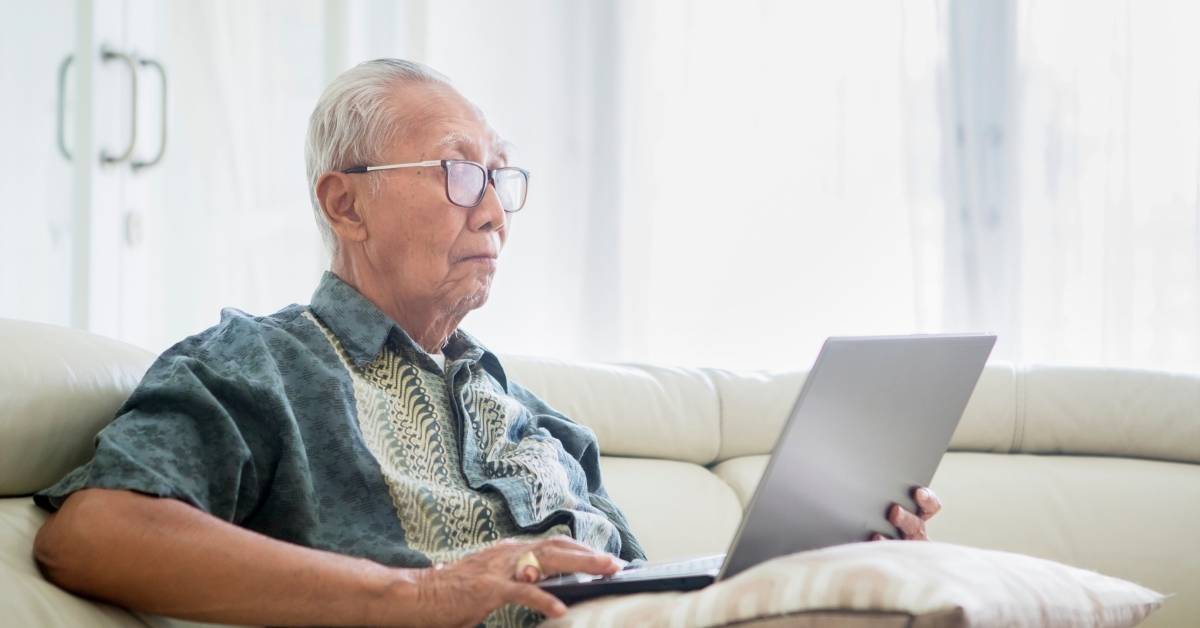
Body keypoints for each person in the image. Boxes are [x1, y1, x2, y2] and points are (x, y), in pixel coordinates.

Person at [32, 59, 943, 627]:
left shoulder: (530, 417)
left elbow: (637, 587)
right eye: (460, 170)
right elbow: (94, 535)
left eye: (500, 176)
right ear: (345, 202)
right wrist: (415, 596)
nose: (495, 211)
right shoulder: (259, 364)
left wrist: (833, 562)